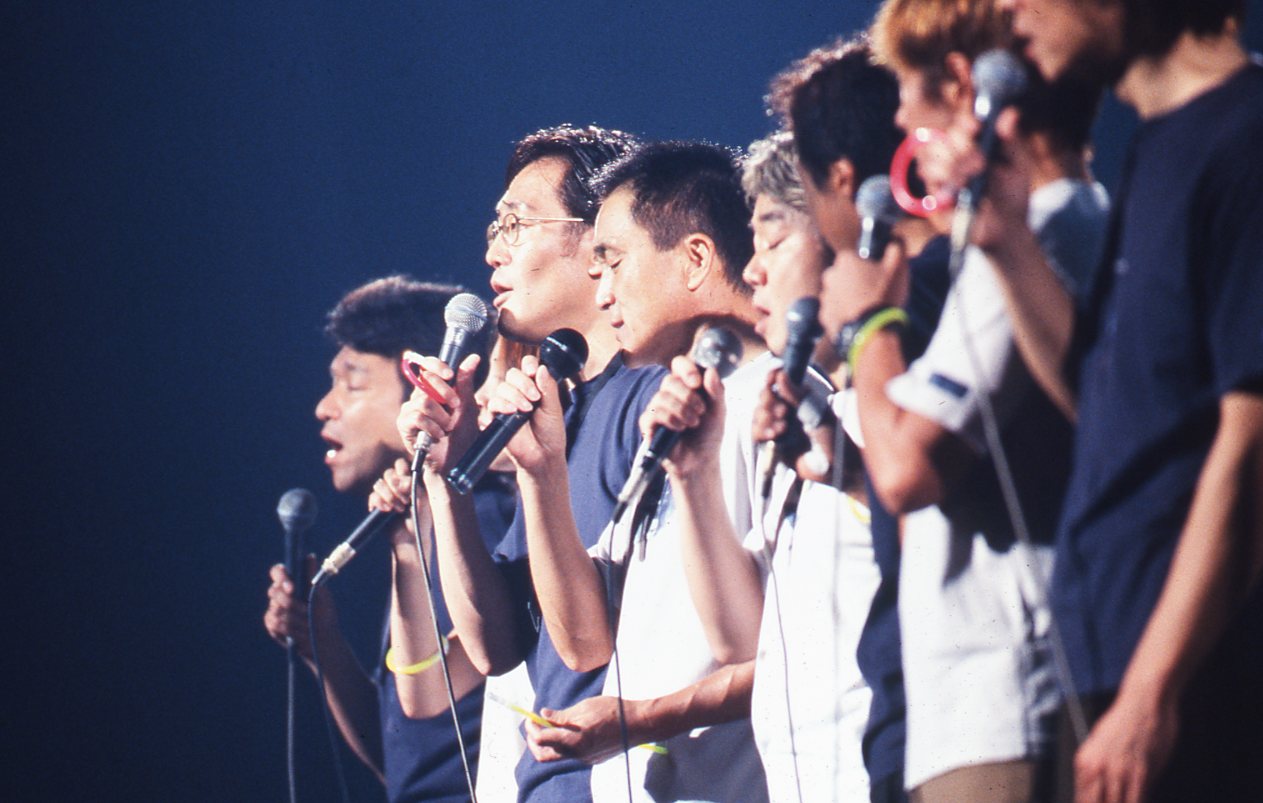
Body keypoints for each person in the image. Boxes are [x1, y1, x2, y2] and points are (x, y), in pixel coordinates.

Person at [936, 0, 1263, 799]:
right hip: (1107, 655)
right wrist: (1009, 241)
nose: (1008, 11)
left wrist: (1152, 689)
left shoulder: (1244, 139)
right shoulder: (1157, 146)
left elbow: (1250, 443)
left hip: (1190, 668)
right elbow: (1109, 399)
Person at [396, 124, 667, 802]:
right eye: (495, 228)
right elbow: (496, 645)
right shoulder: (559, 414)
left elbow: (587, 644)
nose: (493, 249)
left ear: (598, 236)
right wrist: (445, 476)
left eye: (516, 224)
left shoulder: (657, 398)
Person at [495, 140, 769, 801]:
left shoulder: (776, 403)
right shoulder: (673, 425)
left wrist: (643, 718)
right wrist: (542, 473)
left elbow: (792, 644)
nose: (603, 290)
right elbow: (583, 640)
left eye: (613, 261)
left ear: (696, 258)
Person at [262, 276, 515, 802]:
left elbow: (435, 696)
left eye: (352, 384)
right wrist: (319, 642)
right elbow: (407, 759)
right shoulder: (418, 524)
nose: (324, 407)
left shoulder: (484, 517)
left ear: (424, 384)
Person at [774, 35, 947, 803]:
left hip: (951, 704)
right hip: (915, 705)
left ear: (841, 179)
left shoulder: (925, 291)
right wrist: (836, 459)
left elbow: (914, 473)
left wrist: (868, 325)